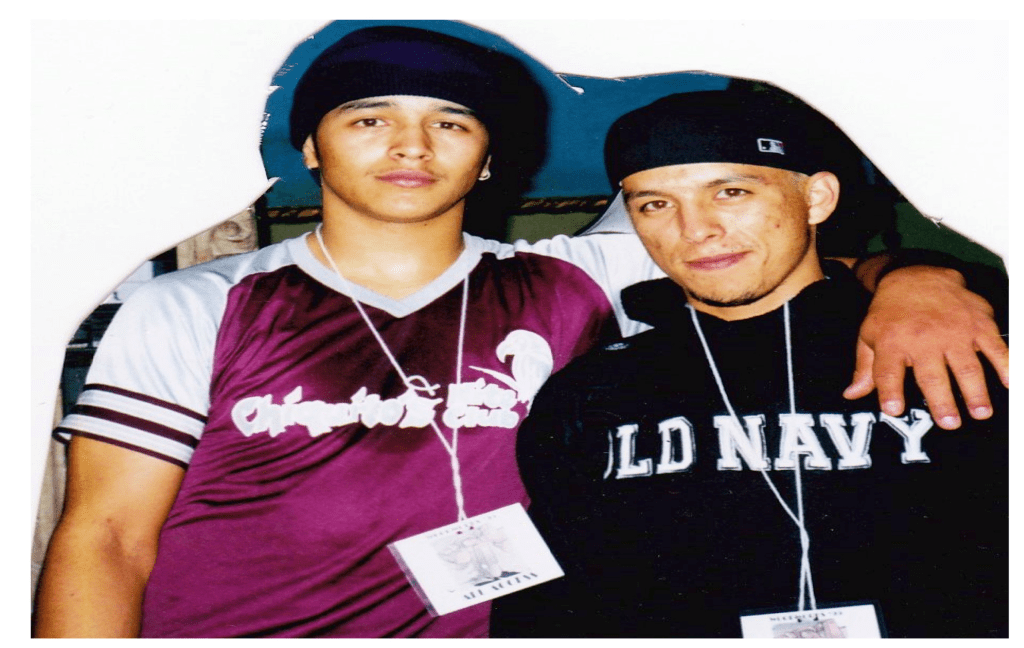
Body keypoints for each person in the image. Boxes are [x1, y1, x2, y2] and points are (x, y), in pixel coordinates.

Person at [34, 26, 1006, 639]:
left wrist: (920, 279)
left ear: (491, 157)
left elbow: (753, 238)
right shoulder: (194, 305)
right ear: (308, 146)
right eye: (368, 118)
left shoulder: (582, 276)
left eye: (450, 123)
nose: (410, 145)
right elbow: (106, 538)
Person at [488, 90, 1008, 638]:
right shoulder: (589, 391)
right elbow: (550, 604)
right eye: (655, 204)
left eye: (731, 192)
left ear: (817, 198)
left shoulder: (943, 347)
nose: (696, 230)